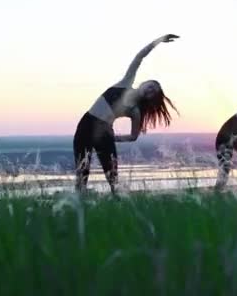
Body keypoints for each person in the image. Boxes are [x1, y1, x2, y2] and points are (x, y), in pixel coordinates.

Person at [73, 34, 180, 193]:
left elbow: (133, 136)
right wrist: (158, 41)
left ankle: (117, 202)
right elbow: (139, 57)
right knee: (82, 172)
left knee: (113, 177)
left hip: (105, 132)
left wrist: (113, 138)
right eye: (151, 86)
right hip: (86, 124)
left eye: (153, 92)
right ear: (145, 83)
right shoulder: (125, 82)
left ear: (150, 99)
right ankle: (79, 203)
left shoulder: (135, 111)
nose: (150, 90)